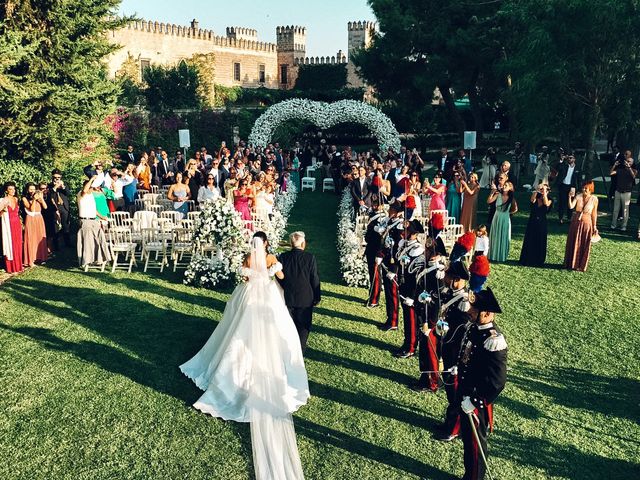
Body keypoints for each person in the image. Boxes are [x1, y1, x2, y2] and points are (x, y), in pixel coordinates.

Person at [180, 232, 309, 480]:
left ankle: (230, 376)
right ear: (267, 244)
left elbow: (244, 278)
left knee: (238, 334)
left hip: (249, 300)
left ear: (253, 244)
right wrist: (272, 273)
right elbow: (281, 276)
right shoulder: (271, 258)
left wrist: (254, 275)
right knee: (275, 333)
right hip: (269, 301)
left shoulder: (248, 259)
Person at [457, 288, 508, 480]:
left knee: (475, 444)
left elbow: (497, 382)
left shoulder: (494, 341)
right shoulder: (475, 328)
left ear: (486, 313)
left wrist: (475, 401)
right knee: (468, 443)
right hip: (465, 394)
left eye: (474, 309)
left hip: (476, 401)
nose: (470, 311)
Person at [277, 231, 321, 354]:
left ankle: (289, 349)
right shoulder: (310, 258)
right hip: (305, 298)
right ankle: (300, 350)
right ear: (303, 244)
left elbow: (279, 277)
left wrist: (285, 286)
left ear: (291, 244)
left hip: (289, 296)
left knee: (289, 325)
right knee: (303, 326)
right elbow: (314, 278)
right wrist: (317, 296)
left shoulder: (283, 257)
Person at [77, 175, 111, 270]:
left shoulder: (91, 196)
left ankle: (99, 259)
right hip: (86, 220)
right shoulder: (81, 194)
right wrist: (91, 179)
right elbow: (85, 190)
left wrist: (102, 217)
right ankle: (86, 261)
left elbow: (94, 209)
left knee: (99, 240)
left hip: (94, 220)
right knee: (88, 242)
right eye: (91, 187)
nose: (92, 189)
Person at [564, 181, 598, 272]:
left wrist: (594, 226)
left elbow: (594, 214)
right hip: (576, 222)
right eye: (583, 188)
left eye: (586, 188)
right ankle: (570, 263)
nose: (584, 189)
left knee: (584, 243)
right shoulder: (578, 196)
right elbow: (571, 206)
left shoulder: (594, 199)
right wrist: (569, 197)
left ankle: (581, 265)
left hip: (587, 223)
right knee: (573, 241)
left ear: (590, 189)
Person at [519, 183, 553, 267]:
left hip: (542, 222)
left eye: (545, 190)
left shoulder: (550, 199)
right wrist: (537, 190)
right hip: (532, 221)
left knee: (540, 239)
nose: (542, 191)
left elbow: (546, 204)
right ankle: (527, 259)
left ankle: (538, 260)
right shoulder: (536, 197)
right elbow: (532, 200)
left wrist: (545, 193)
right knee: (530, 239)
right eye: (541, 189)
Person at [488, 181, 517, 262]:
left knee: (504, 236)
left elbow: (515, 209)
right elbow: (489, 201)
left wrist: (508, 213)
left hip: (505, 218)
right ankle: (493, 254)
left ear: (510, 188)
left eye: (506, 185)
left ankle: (501, 256)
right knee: (495, 235)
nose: (504, 186)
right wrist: (492, 193)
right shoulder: (498, 194)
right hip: (497, 216)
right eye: (504, 185)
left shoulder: (511, 198)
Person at [22, 182, 48, 267]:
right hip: (30, 219)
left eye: (33, 189)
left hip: (39, 218)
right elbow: (32, 209)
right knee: (31, 238)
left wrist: (41, 199)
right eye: (30, 189)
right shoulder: (24, 199)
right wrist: (33, 199)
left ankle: (41, 257)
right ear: (27, 190)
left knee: (40, 237)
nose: (32, 191)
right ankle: (30, 260)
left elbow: (45, 207)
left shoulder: (38, 196)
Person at [609, 153, 637, 232]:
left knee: (625, 211)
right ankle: (613, 225)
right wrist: (614, 165)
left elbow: (634, 176)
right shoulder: (620, 170)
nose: (627, 162)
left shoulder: (634, 170)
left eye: (629, 161)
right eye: (626, 161)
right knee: (615, 210)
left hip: (627, 193)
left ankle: (624, 226)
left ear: (632, 163)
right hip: (618, 191)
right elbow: (611, 173)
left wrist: (629, 168)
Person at [0, 182, 24, 273]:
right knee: (10, 244)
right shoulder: (4, 200)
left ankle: (18, 266)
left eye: (14, 189)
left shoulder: (16, 199)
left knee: (18, 244)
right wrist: (3, 210)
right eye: (10, 189)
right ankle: (11, 267)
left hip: (17, 223)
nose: (13, 191)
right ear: (6, 190)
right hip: (8, 225)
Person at [47, 169, 71, 250]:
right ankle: (56, 246)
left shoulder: (64, 184)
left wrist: (63, 187)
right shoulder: (49, 186)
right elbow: (50, 196)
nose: (56, 179)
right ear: (52, 177)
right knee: (55, 227)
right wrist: (55, 187)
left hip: (63, 207)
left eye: (58, 177)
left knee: (65, 226)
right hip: (55, 208)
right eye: (55, 177)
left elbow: (68, 194)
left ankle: (67, 243)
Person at [555, 154, 580, 224]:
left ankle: (569, 217)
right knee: (562, 202)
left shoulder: (577, 168)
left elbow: (579, 179)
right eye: (568, 158)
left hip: (572, 187)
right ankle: (560, 218)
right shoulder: (564, 166)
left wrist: (578, 189)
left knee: (571, 202)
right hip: (563, 186)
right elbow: (557, 168)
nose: (569, 159)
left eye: (571, 158)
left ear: (574, 159)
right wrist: (562, 160)